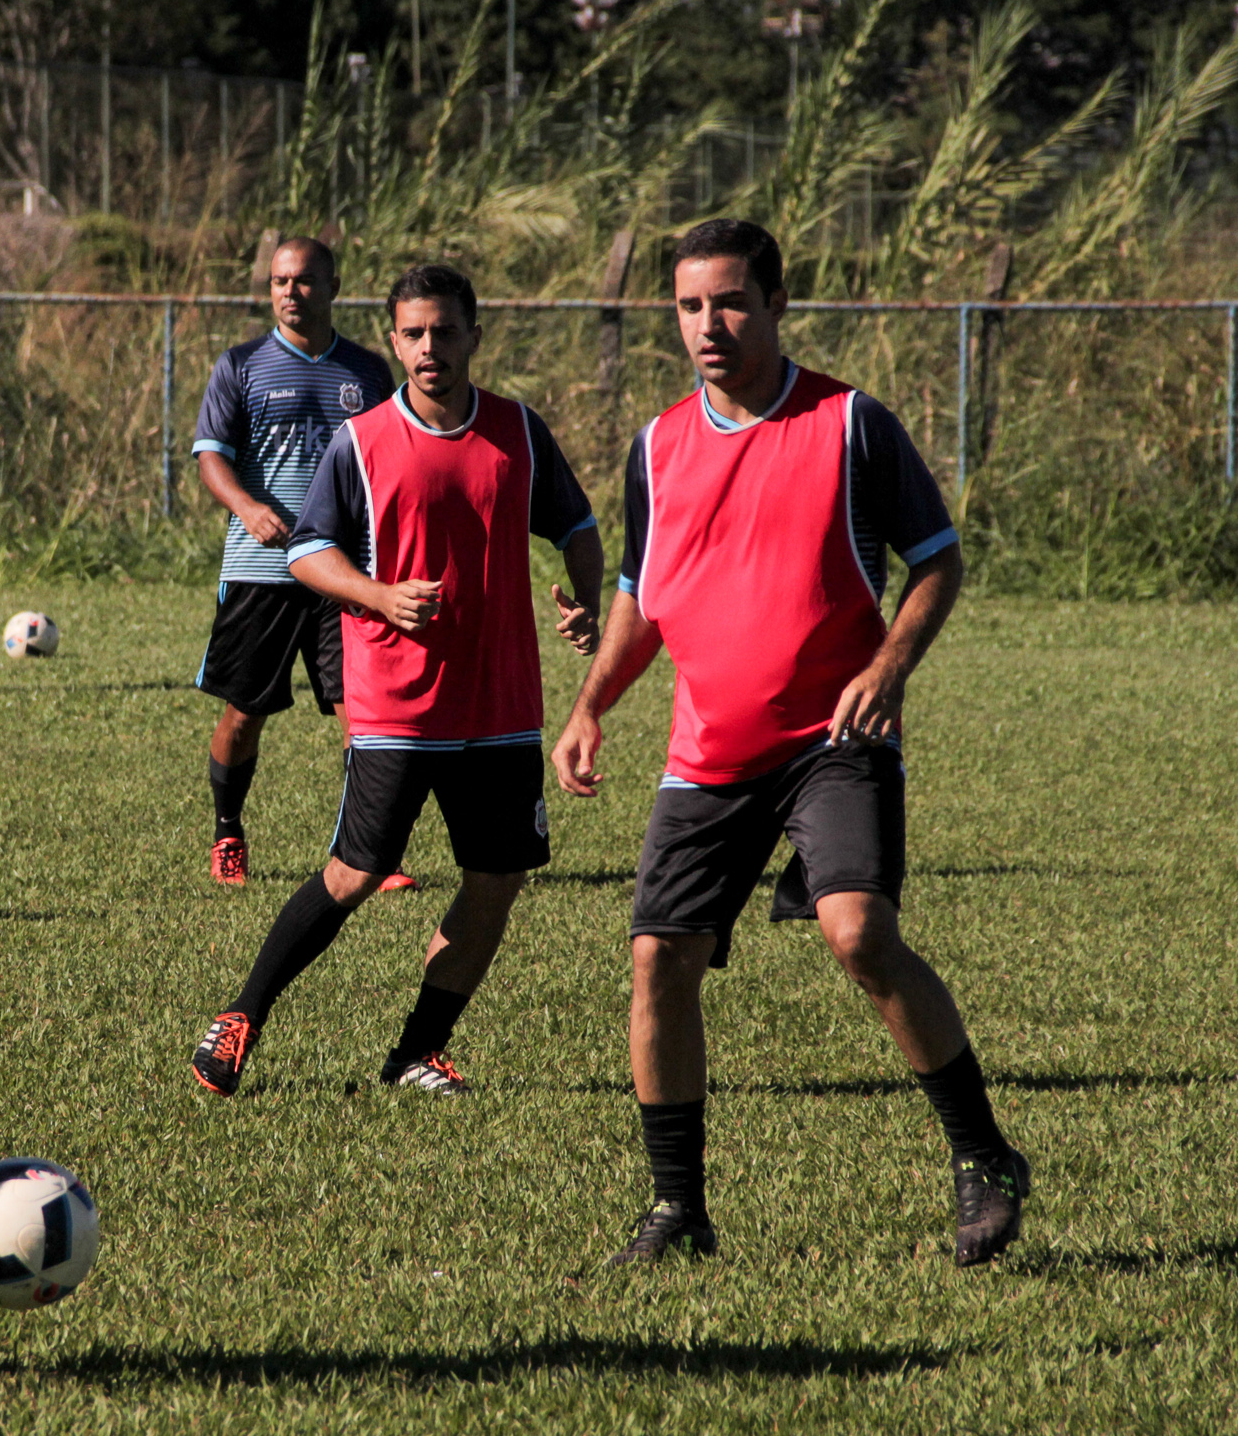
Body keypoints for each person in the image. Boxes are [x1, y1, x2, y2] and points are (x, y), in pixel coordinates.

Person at [550, 218, 1031, 1268]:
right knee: (655, 962)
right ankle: (677, 1211)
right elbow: (641, 592)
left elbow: (936, 560)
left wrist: (887, 667)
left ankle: (983, 1157)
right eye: (686, 306)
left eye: (727, 301)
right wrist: (589, 705)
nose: (707, 324)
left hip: (832, 735)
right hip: (705, 751)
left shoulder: (851, 424)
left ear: (774, 305)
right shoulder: (655, 446)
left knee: (856, 934)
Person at [190, 264, 604, 1098]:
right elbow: (309, 551)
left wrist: (586, 598)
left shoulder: (519, 432)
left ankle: (415, 1050)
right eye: (412, 333)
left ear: (473, 337)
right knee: (354, 872)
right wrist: (378, 594)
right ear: (392, 340)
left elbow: (578, 522)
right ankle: (241, 1016)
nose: (428, 348)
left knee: (495, 882)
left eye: (444, 331)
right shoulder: (364, 440)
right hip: (398, 705)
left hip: (499, 707)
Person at [190, 237, 409, 888]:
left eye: (305, 280)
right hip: (262, 573)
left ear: (333, 286)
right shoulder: (242, 365)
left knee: (362, 717)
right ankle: (228, 831)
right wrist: (248, 507)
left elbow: (388, 463)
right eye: (281, 281)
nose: (291, 291)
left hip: (342, 574)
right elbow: (210, 456)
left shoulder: (368, 372)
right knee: (242, 713)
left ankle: (369, 852)